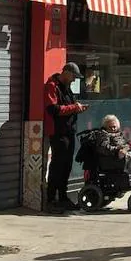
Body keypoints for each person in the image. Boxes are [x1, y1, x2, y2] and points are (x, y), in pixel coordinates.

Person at [45, 62, 87, 213]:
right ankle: (50, 199)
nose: (74, 80)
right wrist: (74, 108)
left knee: (67, 165)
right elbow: (53, 109)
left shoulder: (67, 88)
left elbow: (68, 106)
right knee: (57, 165)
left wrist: (77, 107)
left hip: (69, 131)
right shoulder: (52, 86)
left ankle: (63, 197)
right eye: (74, 76)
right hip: (58, 132)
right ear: (66, 72)